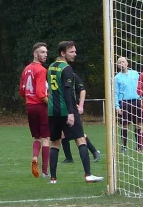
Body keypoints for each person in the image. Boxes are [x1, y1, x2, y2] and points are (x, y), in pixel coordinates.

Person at [47, 41, 103, 184]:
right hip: (67, 109)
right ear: (62, 53)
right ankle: (88, 175)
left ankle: (53, 178)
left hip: (53, 111)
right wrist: (71, 113)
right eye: (71, 52)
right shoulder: (67, 69)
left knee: (55, 143)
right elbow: (67, 91)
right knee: (80, 139)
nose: (75, 54)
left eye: (75, 51)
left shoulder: (51, 67)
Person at [18, 42, 50, 178]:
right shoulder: (41, 70)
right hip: (40, 106)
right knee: (46, 138)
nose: (45, 55)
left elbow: (21, 91)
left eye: (46, 52)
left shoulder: (26, 69)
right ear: (35, 54)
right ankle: (44, 172)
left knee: (37, 137)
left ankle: (35, 156)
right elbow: (41, 93)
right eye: (42, 52)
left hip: (30, 107)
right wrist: (51, 105)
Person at [61, 73, 101, 163]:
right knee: (63, 134)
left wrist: (81, 106)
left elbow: (82, 90)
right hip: (62, 109)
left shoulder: (72, 76)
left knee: (78, 134)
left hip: (72, 110)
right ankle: (69, 158)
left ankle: (94, 151)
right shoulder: (57, 77)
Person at [115, 56, 142, 153]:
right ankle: (124, 147)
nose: (122, 63)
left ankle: (139, 146)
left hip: (136, 101)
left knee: (138, 124)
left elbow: (141, 86)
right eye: (119, 62)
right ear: (118, 65)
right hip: (124, 103)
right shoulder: (117, 77)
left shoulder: (135, 74)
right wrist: (117, 106)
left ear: (127, 63)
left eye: (123, 62)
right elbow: (115, 93)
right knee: (125, 124)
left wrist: (142, 98)